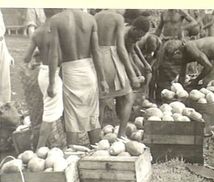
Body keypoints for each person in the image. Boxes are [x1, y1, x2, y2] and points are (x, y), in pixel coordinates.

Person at [48, 9, 107, 146]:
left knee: (72, 118)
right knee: (93, 115)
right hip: (88, 70)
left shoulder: (57, 20)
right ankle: (97, 153)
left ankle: (72, 156)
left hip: (70, 72)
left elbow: (54, 54)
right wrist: (102, 79)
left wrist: (51, 83)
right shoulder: (90, 19)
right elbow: (96, 52)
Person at [95, 9, 140, 139]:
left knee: (101, 101)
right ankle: (121, 134)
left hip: (96, 58)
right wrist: (132, 75)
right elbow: (121, 48)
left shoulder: (95, 16)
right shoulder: (117, 18)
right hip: (111, 58)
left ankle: (96, 138)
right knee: (128, 97)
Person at [24, 8, 63, 149]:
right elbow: (54, 58)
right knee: (49, 115)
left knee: (52, 112)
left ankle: (56, 143)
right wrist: (52, 83)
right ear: (58, 13)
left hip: (42, 72)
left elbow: (26, 57)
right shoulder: (53, 32)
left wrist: (36, 60)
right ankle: (39, 149)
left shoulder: (37, 32)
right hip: (51, 75)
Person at [165, 37, 214, 106]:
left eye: (174, 59)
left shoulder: (190, 48)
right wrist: (179, 89)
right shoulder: (183, 54)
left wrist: (196, 81)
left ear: (177, 52)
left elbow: (208, 66)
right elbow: (182, 75)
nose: (176, 62)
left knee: (211, 84)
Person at [125, 16, 152, 99]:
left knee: (148, 71)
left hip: (130, 53)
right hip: (122, 56)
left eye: (141, 37)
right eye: (139, 36)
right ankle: (130, 96)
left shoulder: (134, 33)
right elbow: (127, 56)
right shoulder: (125, 35)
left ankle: (143, 95)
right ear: (134, 29)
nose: (139, 38)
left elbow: (135, 47)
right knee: (133, 75)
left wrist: (145, 63)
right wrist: (136, 71)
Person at [0, 10, 14, 104]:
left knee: (4, 80)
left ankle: (4, 109)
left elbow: (2, 36)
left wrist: (8, 54)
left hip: (1, 45)